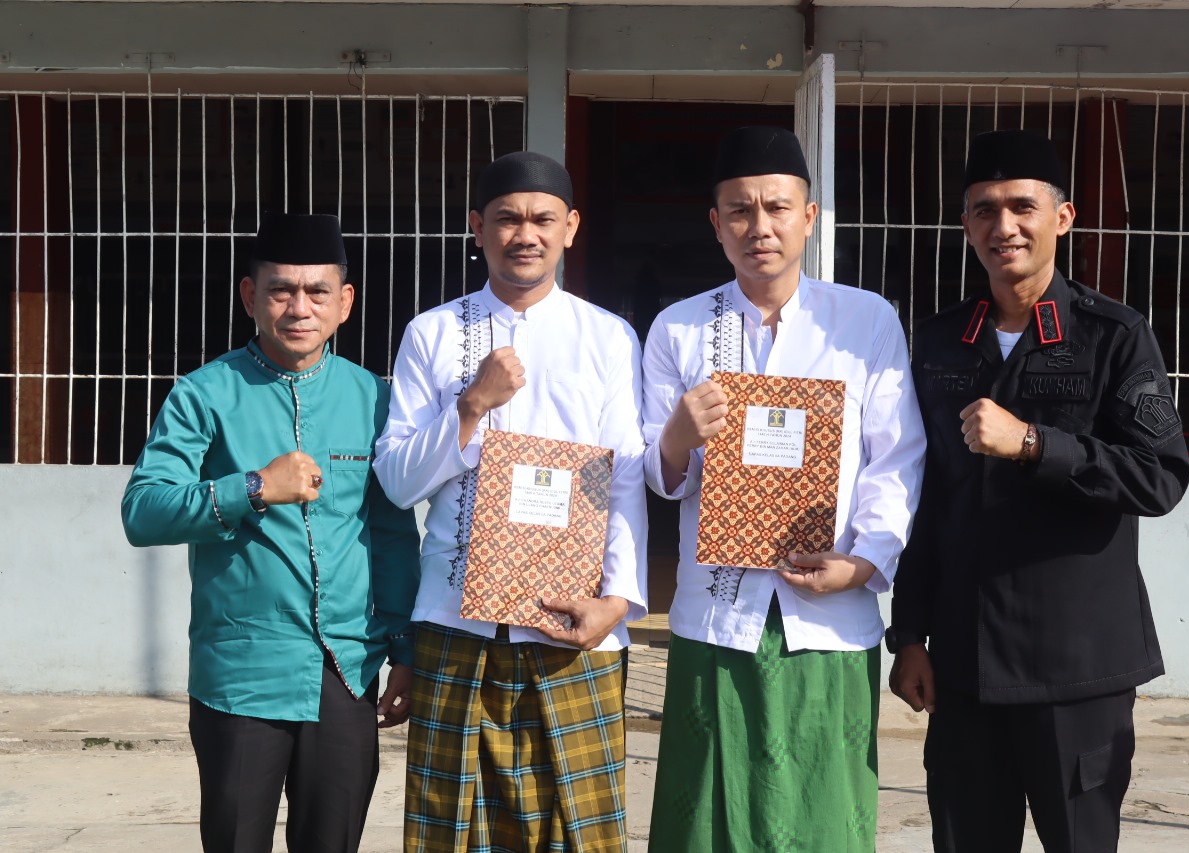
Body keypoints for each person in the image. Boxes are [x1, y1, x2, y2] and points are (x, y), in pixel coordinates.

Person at [887, 129, 1189, 853]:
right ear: (967, 226)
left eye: (1023, 206)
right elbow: (922, 498)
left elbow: (1160, 475)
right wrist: (910, 636)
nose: (1005, 226)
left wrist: (1034, 444)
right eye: (985, 210)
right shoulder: (939, 342)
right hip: (965, 668)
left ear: (1063, 217)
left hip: (1076, 669)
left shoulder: (1113, 336)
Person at [642, 126, 926, 852]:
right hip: (716, 614)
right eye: (739, 210)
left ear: (810, 216)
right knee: (707, 816)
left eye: (776, 207)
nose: (759, 226)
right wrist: (676, 437)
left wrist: (864, 562)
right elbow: (660, 478)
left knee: (822, 814)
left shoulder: (864, 321)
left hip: (829, 615)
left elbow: (895, 456)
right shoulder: (679, 329)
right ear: (716, 223)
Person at [372, 151, 648, 852]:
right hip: (455, 618)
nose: (525, 234)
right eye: (507, 219)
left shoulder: (607, 336)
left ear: (570, 228)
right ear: (477, 228)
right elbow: (398, 481)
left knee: (578, 830)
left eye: (542, 219)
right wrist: (470, 405)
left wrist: (618, 601)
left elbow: (623, 477)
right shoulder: (433, 333)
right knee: (451, 828)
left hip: (573, 621)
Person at [120, 213, 422, 853]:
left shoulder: (373, 398)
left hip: (345, 668)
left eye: (317, 292)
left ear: (345, 302)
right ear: (249, 295)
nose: (298, 308)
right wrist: (253, 487)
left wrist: (405, 647)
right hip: (242, 671)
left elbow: (392, 532)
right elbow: (143, 511)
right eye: (281, 290)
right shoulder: (204, 394)